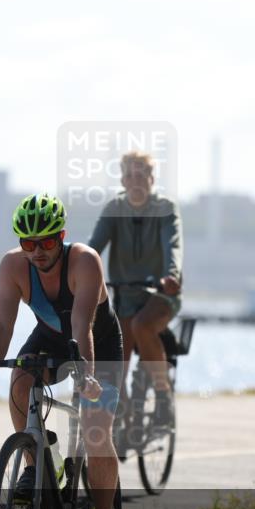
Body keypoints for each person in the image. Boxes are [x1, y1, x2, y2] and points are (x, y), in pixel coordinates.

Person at [0, 193, 123, 509]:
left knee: (96, 432)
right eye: (29, 243)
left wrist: (87, 377)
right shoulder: (13, 267)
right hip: (50, 339)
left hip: (99, 343)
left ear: (61, 237)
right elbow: (2, 325)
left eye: (47, 241)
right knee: (20, 379)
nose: (38, 251)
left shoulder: (84, 262)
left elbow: (83, 325)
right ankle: (37, 463)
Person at [88, 151, 183, 430]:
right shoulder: (113, 209)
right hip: (125, 296)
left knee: (143, 325)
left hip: (160, 294)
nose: (136, 180)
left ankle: (163, 397)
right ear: (122, 179)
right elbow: (93, 248)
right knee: (115, 355)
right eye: (130, 174)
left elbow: (173, 245)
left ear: (152, 179)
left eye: (142, 174)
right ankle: (123, 409)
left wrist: (172, 275)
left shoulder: (165, 208)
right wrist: (77, 271)